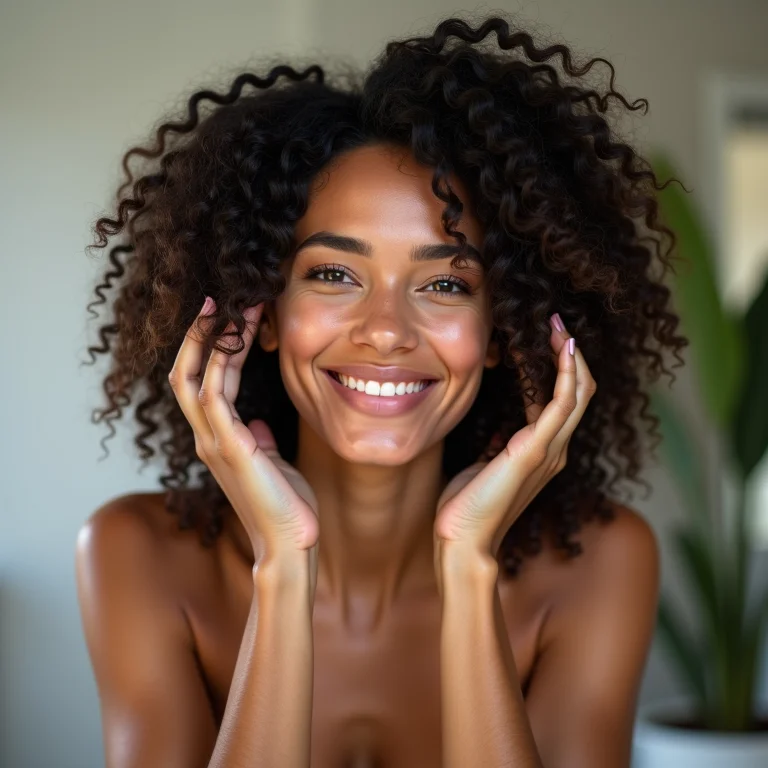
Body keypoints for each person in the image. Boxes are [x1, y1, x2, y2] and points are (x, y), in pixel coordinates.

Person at [75, 13, 687, 768]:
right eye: (334, 274)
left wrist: (469, 570)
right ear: (260, 314)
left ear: (504, 329)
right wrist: (282, 567)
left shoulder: (598, 562)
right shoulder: (136, 556)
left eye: (444, 283)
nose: (387, 329)